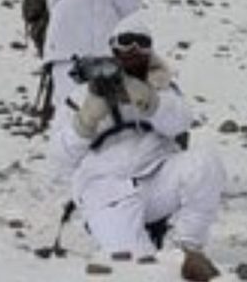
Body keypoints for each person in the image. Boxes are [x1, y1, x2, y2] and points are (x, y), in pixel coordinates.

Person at [50, 15, 225, 281]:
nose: (133, 50)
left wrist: (150, 101)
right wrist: (85, 122)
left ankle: (187, 250)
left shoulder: (164, 88)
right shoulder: (80, 95)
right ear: (113, 48)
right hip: (104, 188)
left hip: (156, 177)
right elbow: (59, 159)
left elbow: (181, 122)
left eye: (141, 43)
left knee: (204, 164)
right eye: (125, 42)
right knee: (136, 268)